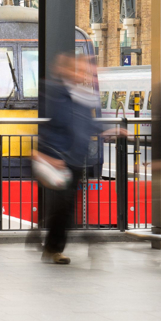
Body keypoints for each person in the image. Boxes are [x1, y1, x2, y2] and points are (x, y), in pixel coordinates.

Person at [33, 53, 100, 265]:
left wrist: (110, 129)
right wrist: (44, 154)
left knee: (65, 207)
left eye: (83, 70)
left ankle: (49, 245)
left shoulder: (80, 95)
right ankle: (54, 248)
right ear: (65, 70)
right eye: (78, 70)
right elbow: (52, 125)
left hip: (75, 158)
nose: (82, 74)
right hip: (58, 157)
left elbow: (87, 123)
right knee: (64, 206)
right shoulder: (54, 92)